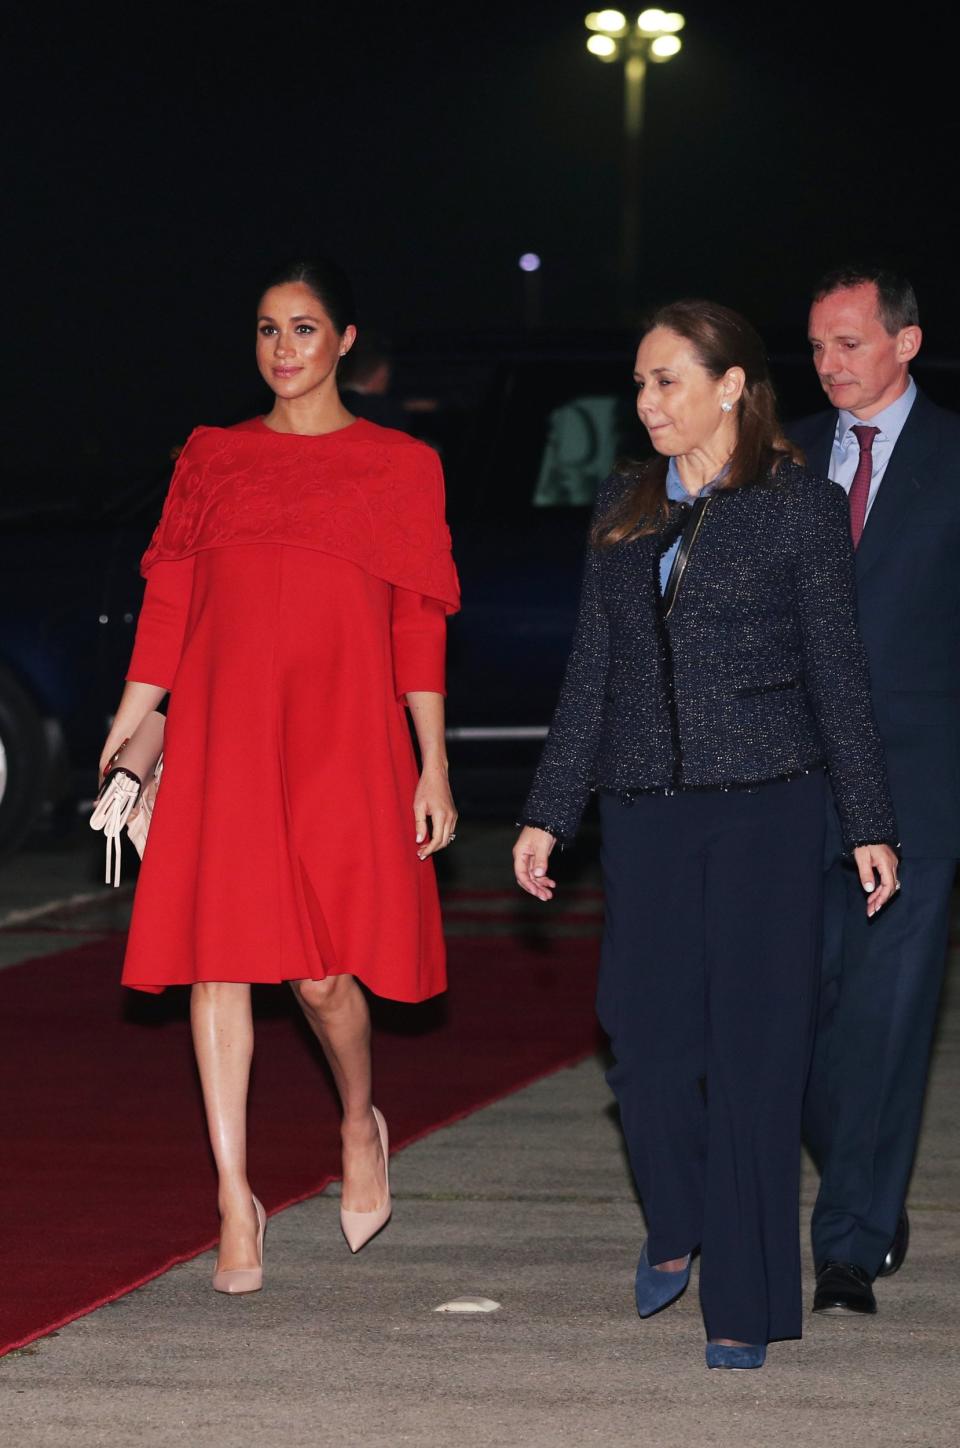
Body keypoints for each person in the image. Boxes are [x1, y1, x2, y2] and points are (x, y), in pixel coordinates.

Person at [512, 299, 899, 1370]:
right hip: (645, 812)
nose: (646, 403)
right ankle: (676, 1218)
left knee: (755, 1057)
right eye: (639, 383)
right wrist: (550, 810)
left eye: (666, 379)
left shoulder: (800, 507)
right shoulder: (624, 503)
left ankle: (743, 1294)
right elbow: (592, 669)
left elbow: (838, 672)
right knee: (642, 1041)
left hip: (770, 807)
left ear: (731, 385)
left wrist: (869, 820)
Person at [100, 258, 460, 1293]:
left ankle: (358, 1119)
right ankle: (234, 1196)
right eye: (267, 328)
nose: (283, 348)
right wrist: (130, 729)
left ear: (345, 341)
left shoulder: (400, 463)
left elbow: (416, 624)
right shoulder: (212, 456)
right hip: (223, 735)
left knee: (321, 974)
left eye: (304, 328)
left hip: (344, 738)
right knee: (219, 960)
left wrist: (431, 762)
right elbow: (169, 605)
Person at [794, 266, 960, 1316]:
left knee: (890, 1021)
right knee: (797, 1017)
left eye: (849, 343)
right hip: (791, 784)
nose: (828, 365)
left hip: (919, 788)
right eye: (816, 347)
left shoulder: (954, 460)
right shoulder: (784, 459)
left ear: (906, 342)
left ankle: (849, 1238)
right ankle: (858, 1168)